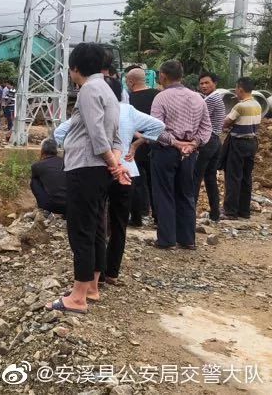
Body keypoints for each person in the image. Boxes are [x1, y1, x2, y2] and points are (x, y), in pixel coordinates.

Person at [44, 42, 127, 315]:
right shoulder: (110, 90)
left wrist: (113, 164)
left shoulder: (89, 90)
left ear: (75, 68)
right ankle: (91, 287)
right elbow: (115, 136)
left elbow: (96, 134)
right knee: (95, 227)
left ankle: (77, 297)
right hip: (100, 170)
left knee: (80, 229)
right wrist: (115, 162)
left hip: (84, 167)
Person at [57, 100, 164, 284]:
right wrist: (135, 145)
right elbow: (158, 126)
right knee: (119, 224)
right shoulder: (128, 110)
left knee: (95, 222)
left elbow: (59, 133)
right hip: (126, 170)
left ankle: (93, 274)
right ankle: (112, 273)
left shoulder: (90, 108)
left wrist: (76, 150)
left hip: (96, 170)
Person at [150, 60, 212, 249]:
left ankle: (166, 239)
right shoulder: (197, 98)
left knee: (164, 194)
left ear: (163, 76)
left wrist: (176, 143)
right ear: (182, 76)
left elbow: (155, 128)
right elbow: (206, 127)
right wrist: (193, 144)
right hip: (189, 153)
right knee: (186, 194)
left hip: (166, 151)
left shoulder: (161, 98)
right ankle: (187, 239)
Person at [222, 77, 262, 220]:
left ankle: (230, 211)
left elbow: (226, 123)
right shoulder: (257, 104)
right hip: (252, 143)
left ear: (240, 89)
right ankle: (244, 211)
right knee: (246, 177)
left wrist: (226, 124)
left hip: (238, 143)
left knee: (233, 177)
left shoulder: (240, 106)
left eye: (236, 89)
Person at [126, 67, 160, 226]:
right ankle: (158, 217)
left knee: (137, 182)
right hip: (155, 144)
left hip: (135, 146)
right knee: (155, 182)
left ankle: (138, 216)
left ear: (131, 82)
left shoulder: (129, 100)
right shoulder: (157, 95)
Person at [194, 72, 226, 222]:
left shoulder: (211, 99)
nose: (204, 86)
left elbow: (197, 117)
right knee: (210, 177)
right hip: (215, 141)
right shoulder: (216, 97)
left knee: (195, 177)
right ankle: (215, 213)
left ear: (215, 83)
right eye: (201, 83)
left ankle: (189, 212)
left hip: (207, 142)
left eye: (207, 83)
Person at [30, 139, 66, 215]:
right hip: (70, 205)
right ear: (56, 150)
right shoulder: (65, 162)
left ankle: (43, 209)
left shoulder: (37, 166)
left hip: (52, 206)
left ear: (42, 150)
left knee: (34, 180)